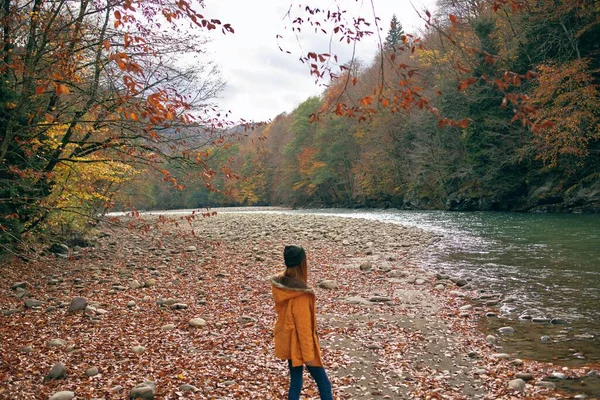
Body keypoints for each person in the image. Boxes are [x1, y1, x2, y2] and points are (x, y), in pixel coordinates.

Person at [269, 245, 333, 400]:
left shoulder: (283, 285)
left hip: (289, 341)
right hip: (300, 344)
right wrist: (308, 355)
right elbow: (303, 327)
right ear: (302, 264)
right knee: (324, 384)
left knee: (296, 382)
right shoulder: (301, 295)